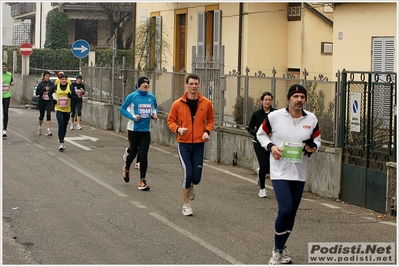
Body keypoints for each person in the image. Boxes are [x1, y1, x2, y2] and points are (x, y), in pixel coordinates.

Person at [256, 84, 321, 265]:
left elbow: (317, 139)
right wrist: (271, 147)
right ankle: (276, 251)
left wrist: (313, 147)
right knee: (284, 209)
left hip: (299, 173)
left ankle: (283, 247)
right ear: (289, 99)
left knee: (291, 213)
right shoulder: (274, 117)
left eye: (302, 96)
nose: (299, 99)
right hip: (279, 171)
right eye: (295, 96)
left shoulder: (312, 119)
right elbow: (261, 134)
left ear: (305, 99)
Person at [167, 73, 215, 216]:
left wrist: (207, 132)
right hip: (184, 144)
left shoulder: (206, 103)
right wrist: (178, 129)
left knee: (197, 178)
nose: (194, 86)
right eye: (191, 84)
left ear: (199, 85)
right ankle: (186, 205)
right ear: (186, 85)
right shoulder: (178, 103)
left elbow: (211, 120)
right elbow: (170, 120)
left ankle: (191, 185)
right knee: (188, 173)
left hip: (199, 144)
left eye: (196, 84)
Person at [120, 76, 158, 190]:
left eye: (147, 83)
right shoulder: (132, 96)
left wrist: (154, 114)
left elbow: (154, 108)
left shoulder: (152, 97)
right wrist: (132, 117)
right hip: (133, 129)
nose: (145, 85)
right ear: (139, 84)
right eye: (143, 83)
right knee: (132, 154)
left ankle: (142, 181)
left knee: (143, 155)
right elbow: (122, 108)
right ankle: (126, 168)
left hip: (146, 130)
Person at [247, 91, 276, 198]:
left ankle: (261, 173)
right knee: (263, 164)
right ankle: (262, 189)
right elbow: (249, 128)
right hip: (258, 143)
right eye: (265, 100)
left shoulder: (275, 114)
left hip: (271, 143)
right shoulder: (257, 114)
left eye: (269, 100)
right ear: (262, 101)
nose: (267, 102)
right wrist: (258, 134)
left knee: (269, 167)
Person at [49, 74, 79, 151]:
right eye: (62, 79)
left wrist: (71, 96)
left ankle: (62, 139)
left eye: (65, 79)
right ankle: (61, 144)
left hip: (67, 110)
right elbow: (49, 93)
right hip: (58, 109)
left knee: (65, 127)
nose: (64, 80)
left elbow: (76, 97)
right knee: (61, 124)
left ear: (67, 80)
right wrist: (53, 100)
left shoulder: (70, 87)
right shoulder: (56, 87)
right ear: (60, 80)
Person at [36, 71, 55, 136]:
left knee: (48, 114)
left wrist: (51, 91)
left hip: (49, 101)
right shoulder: (41, 84)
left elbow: (54, 91)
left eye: (48, 76)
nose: (47, 77)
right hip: (42, 100)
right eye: (46, 76)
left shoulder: (51, 84)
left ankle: (48, 130)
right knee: (42, 115)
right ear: (44, 76)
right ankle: (40, 127)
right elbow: (37, 93)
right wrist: (44, 89)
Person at [2, 61, 15, 137]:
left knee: (5, 112)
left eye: (5, 66)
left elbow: (11, 82)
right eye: (3, 66)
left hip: (7, 95)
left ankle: (4, 130)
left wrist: (12, 83)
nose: (4, 67)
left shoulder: (9, 74)